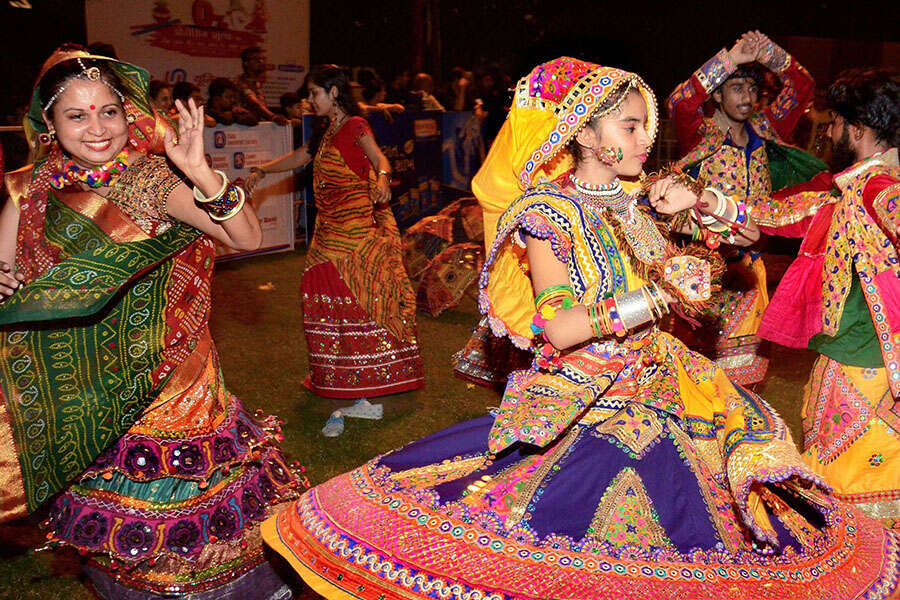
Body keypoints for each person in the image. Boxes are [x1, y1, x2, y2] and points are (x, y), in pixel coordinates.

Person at [260, 57, 900, 599]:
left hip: (667, 382)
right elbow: (561, 326)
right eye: (630, 126)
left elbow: (725, 245)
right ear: (587, 135)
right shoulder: (547, 213)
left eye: (646, 124)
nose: (646, 138)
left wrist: (699, 237)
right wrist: (659, 295)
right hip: (590, 394)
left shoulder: (635, 197)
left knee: (712, 533)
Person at [0, 46, 303, 599]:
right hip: (81, 388)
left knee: (181, 510)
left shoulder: (149, 181)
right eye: (77, 115)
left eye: (108, 111)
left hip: (172, 382)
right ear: (48, 123)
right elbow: (11, 280)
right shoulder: (28, 192)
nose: (97, 129)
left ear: (127, 114)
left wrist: (198, 172)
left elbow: (246, 237)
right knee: (111, 526)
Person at [246, 65, 424, 437]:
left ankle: (370, 378)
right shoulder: (326, 130)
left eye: (314, 93)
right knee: (322, 297)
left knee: (358, 299)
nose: (310, 101)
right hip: (328, 232)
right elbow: (302, 157)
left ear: (333, 92)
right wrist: (263, 171)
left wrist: (382, 179)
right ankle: (339, 374)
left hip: (355, 232)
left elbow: (379, 159)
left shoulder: (356, 125)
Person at [759, 68, 900, 526]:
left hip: (866, 376)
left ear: (855, 131)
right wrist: (709, 204)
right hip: (855, 368)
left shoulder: (877, 185)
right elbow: (783, 213)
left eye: (835, 123)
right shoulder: (845, 192)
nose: (829, 131)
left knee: (850, 510)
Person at [666, 30, 826, 387]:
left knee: (744, 371)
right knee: (693, 365)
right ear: (718, 93)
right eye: (737, 87)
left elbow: (802, 87)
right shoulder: (701, 133)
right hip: (699, 264)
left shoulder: (766, 129)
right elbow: (680, 101)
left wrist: (768, 53)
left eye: (753, 90)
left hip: (749, 266)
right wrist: (731, 59)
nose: (748, 97)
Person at [236, 46, 289, 125]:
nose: (261, 62)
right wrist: (273, 117)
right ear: (246, 63)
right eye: (256, 59)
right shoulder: (241, 83)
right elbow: (255, 104)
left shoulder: (257, 83)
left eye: (263, 59)